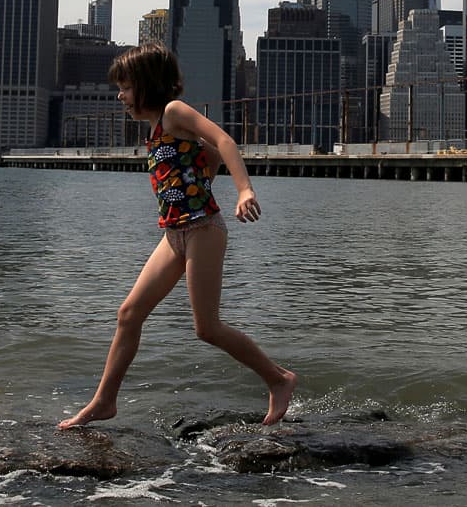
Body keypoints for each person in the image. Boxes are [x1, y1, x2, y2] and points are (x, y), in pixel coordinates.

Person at [59, 44, 296, 429]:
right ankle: (104, 402)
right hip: (174, 234)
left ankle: (279, 378)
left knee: (207, 328)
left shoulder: (173, 112)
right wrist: (200, 182)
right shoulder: (158, 128)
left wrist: (244, 190)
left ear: (146, 84)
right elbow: (209, 158)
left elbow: (224, 143)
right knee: (129, 314)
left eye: (125, 87)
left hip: (203, 230)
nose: (121, 96)